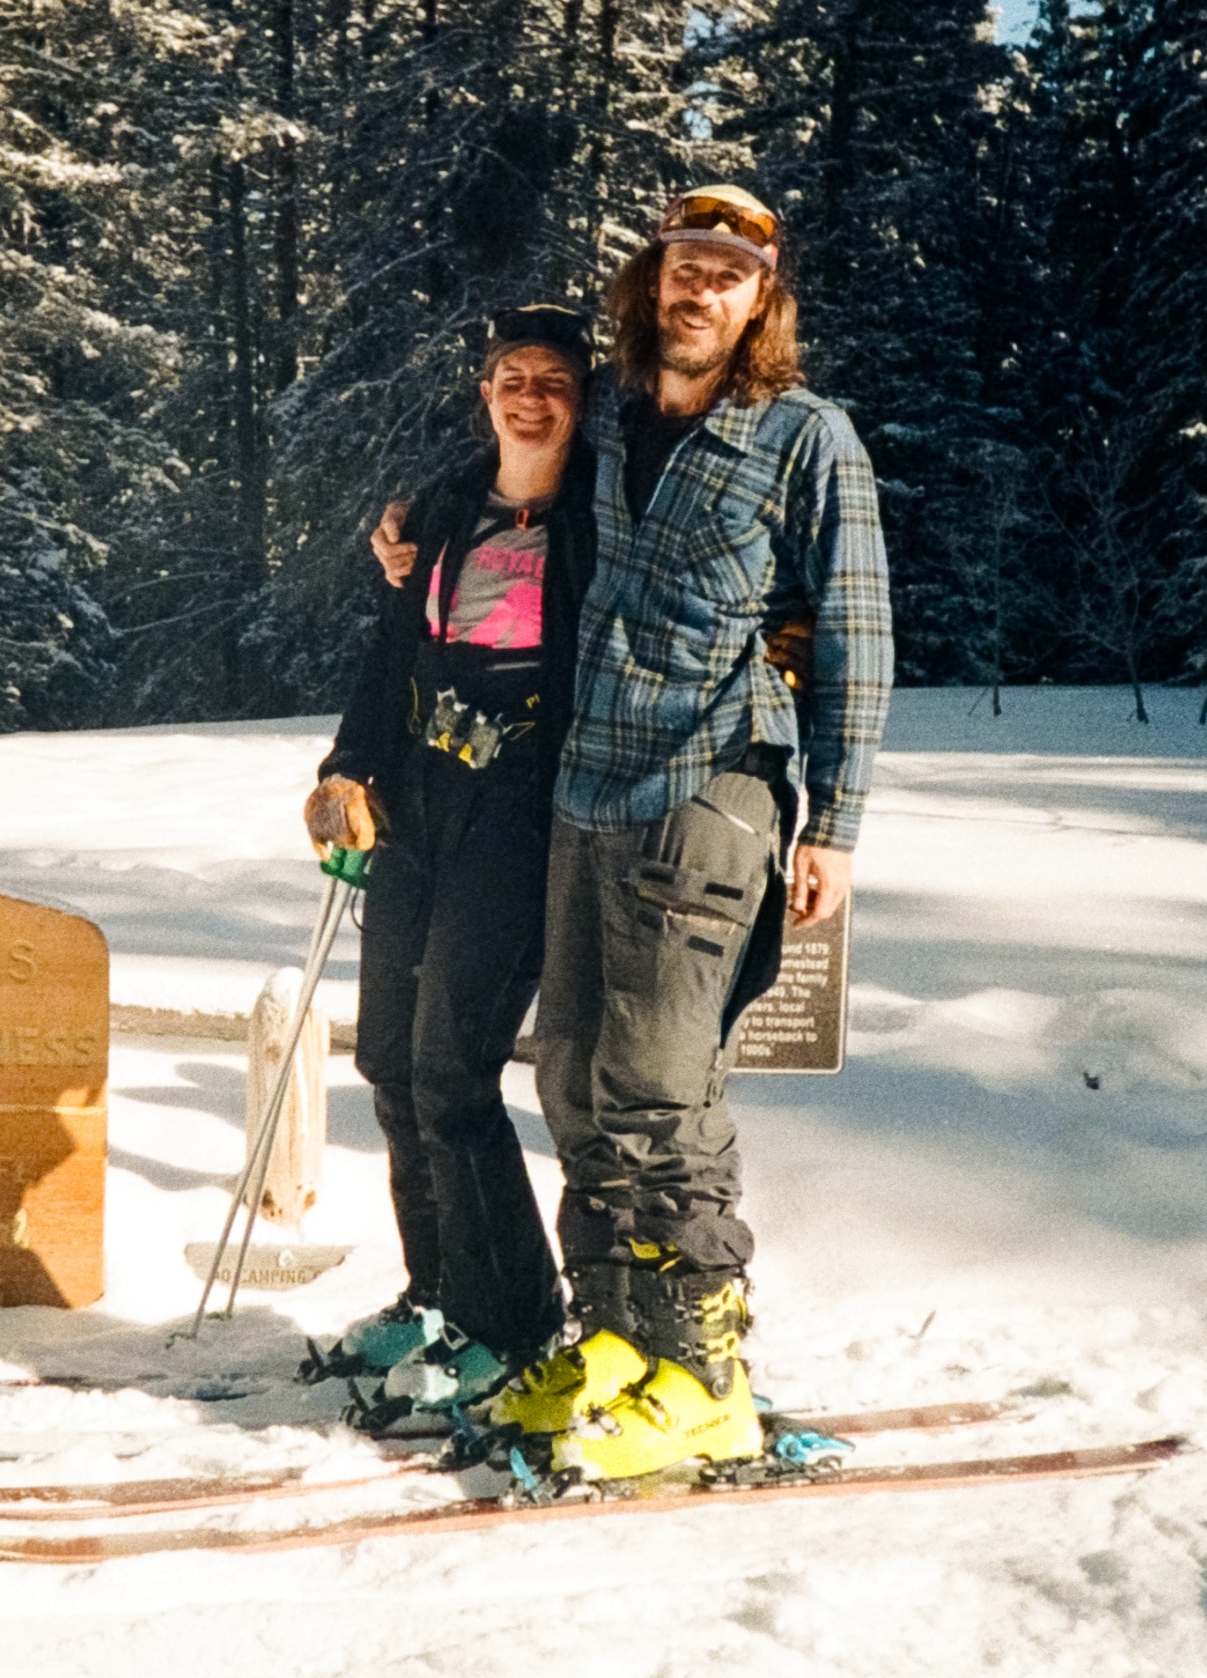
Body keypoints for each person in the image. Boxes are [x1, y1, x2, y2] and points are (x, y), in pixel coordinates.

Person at [380, 185, 890, 1479]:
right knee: (572, 1078)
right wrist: (426, 518)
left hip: (709, 788)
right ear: (648, 281)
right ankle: (615, 1336)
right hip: (583, 796)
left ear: (760, 300)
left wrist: (831, 821)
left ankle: (703, 1374)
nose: (697, 289)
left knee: (660, 1086)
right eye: (681, 265)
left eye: (726, 273)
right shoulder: (609, 417)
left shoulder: (802, 437)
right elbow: (517, 453)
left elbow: (853, 634)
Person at [303, 305, 599, 1408]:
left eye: (553, 379)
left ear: (580, 395)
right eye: (511, 377)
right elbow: (393, 654)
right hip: (420, 789)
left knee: (451, 1068)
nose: (530, 396)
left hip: (524, 800)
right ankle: (436, 1294)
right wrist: (347, 764)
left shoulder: (597, 515)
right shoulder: (440, 509)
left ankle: (514, 1318)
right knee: (385, 1055)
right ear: (483, 392)